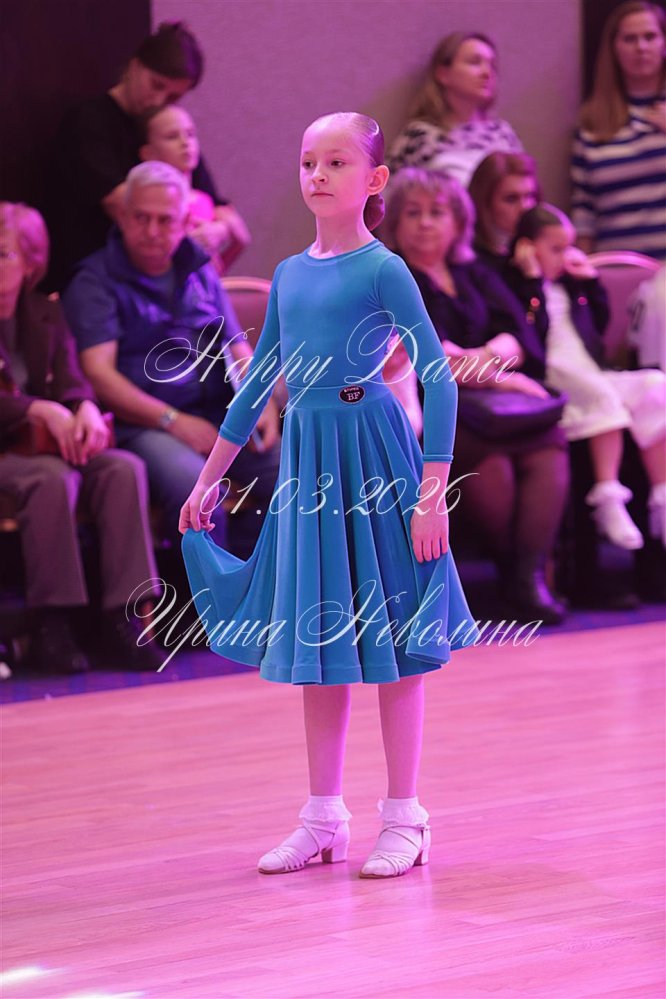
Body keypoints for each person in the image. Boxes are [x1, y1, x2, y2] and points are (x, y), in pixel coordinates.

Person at [179, 112, 478, 880]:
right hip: (309, 460)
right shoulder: (288, 273)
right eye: (309, 160)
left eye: (337, 161)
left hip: (376, 452)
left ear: (374, 179)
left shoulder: (384, 269)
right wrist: (208, 478)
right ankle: (323, 817)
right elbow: (255, 388)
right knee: (321, 637)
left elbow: (439, 378)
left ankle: (406, 816)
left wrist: (433, 490)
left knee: (396, 639)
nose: (317, 173)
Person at [62, 161, 280, 554]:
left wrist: (258, 400)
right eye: (140, 217)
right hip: (143, 425)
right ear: (122, 215)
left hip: (215, 414)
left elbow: (236, 345)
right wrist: (173, 421)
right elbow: (99, 373)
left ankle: (258, 580)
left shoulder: (199, 268)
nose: (150, 231)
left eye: (164, 221)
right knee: (200, 490)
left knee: (291, 475)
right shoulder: (94, 281)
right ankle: (212, 592)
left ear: (183, 223)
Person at [384, 167, 569, 624]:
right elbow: (427, 360)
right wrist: (500, 376)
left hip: (497, 406)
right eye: (413, 213)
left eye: (437, 212)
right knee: (493, 466)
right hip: (438, 408)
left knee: (548, 448)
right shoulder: (391, 278)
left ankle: (527, 579)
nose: (426, 223)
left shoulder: (476, 272)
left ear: (458, 222)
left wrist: (484, 357)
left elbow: (520, 338)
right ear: (395, 223)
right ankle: (513, 578)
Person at [0, 202, 161, 674]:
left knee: (123, 468)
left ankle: (123, 619)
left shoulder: (46, 312)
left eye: (4, 254)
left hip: (49, 444)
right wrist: (36, 409)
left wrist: (83, 406)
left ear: (31, 262)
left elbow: (73, 378)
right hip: (11, 450)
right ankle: (54, 624)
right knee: (52, 478)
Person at [505, 204, 666, 549]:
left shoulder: (570, 284)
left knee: (655, 386)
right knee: (601, 396)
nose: (566, 257)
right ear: (527, 247)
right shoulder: (515, 287)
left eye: (569, 247)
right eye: (556, 249)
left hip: (590, 367)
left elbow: (599, 327)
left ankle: (661, 499)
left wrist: (590, 283)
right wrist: (532, 280)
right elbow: (531, 337)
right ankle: (608, 497)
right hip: (554, 371)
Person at [44, 21, 250, 290]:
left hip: (159, 282)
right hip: (97, 278)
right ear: (135, 66)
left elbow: (222, 211)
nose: (158, 100)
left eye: (173, 97)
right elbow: (126, 206)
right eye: (156, 85)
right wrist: (188, 234)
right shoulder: (89, 122)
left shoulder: (171, 130)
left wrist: (217, 231)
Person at [571, 1, 666, 259]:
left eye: (650, 37)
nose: (641, 47)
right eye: (629, 39)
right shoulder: (592, 123)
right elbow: (584, 215)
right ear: (614, 48)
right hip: (617, 267)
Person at [386, 32, 523, 187]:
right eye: (474, 62)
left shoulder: (503, 135)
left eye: (492, 65)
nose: (487, 73)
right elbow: (388, 194)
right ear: (443, 74)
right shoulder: (421, 137)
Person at [139, 104, 250, 274]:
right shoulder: (150, 206)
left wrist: (215, 276)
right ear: (148, 153)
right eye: (172, 136)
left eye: (190, 134)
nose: (185, 142)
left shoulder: (203, 200)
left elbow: (239, 241)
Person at [469, 151, 541, 266]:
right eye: (511, 199)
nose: (525, 208)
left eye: (529, 196)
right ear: (485, 203)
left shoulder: (540, 245)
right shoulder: (470, 259)